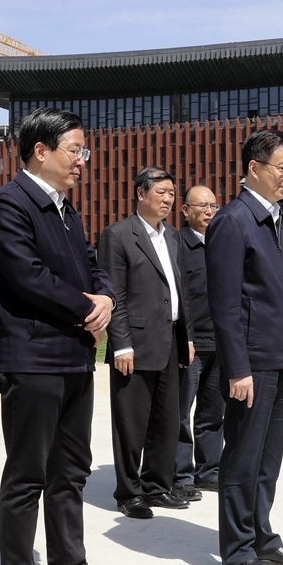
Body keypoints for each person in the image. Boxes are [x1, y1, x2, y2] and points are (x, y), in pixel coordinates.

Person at [0, 107, 128, 565]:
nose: (83, 160)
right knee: (28, 473)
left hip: (74, 358)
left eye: (84, 151)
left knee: (70, 470)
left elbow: (91, 264)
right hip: (33, 359)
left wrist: (106, 297)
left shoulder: (66, 209)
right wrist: (88, 309)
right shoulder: (7, 205)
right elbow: (28, 277)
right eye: (75, 150)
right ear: (40, 151)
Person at [206, 129, 283, 565]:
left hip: (279, 360)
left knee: (268, 460)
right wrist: (238, 368)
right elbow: (225, 305)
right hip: (250, 364)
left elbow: (281, 300)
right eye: (282, 167)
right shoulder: (233, 222)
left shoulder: (275, 221)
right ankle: (237, 550)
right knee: (242, 459)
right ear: (254, 168)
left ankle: (262, 536)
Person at [99, 167, 195, 520]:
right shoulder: (118, 235)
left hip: (170, 341)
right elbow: (114, 295)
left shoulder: (173, 237)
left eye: (172, 193)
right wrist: (121, 344)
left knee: (167, 421)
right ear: (141, 194)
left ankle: (157, 486)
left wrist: (188, 337)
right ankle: (129, 493)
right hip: (134, 346)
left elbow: (181, 292)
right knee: (131, 423)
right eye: (161, 192)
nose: (168, 199)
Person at [174, 185, 225, 497]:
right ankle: (180, 476)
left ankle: (209, 471)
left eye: (213, 206)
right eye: (202, 206)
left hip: (220, 344)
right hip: (189, 345)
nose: (209, 211)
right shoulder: (176, 244)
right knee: (180, 414)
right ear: (185, 210)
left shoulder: (222, 243)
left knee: (212, 414)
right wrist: (186, 338)